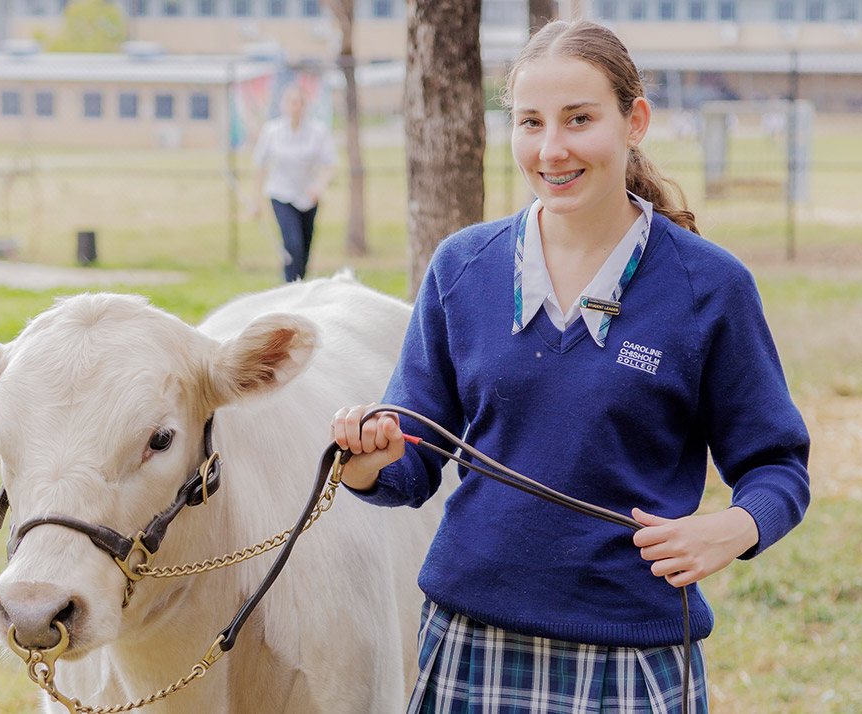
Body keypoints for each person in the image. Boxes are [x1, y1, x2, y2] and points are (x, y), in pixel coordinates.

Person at [330, 20, 810, 713]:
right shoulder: (461, 269)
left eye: (579, 119)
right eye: (530, 123)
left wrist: (732, 528)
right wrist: (365, 460)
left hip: (632, 652)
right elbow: (410, 463)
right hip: (470, 639)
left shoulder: (712, 287)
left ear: (633, 121)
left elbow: (779, 467)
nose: (551, 150)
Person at [252, 85, 337, 283]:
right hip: (280, 193)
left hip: (308, 197)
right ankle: (290, 288)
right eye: (290, 103)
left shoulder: (318, 131)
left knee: (305, 250)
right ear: (283, 106)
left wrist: (319, 187)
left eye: (298, 103)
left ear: (305, 106)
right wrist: (255, 201)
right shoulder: (272, 131)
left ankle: (300, 285)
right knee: (292, 245)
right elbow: (260, 167)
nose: (294, 107)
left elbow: (329, 165)